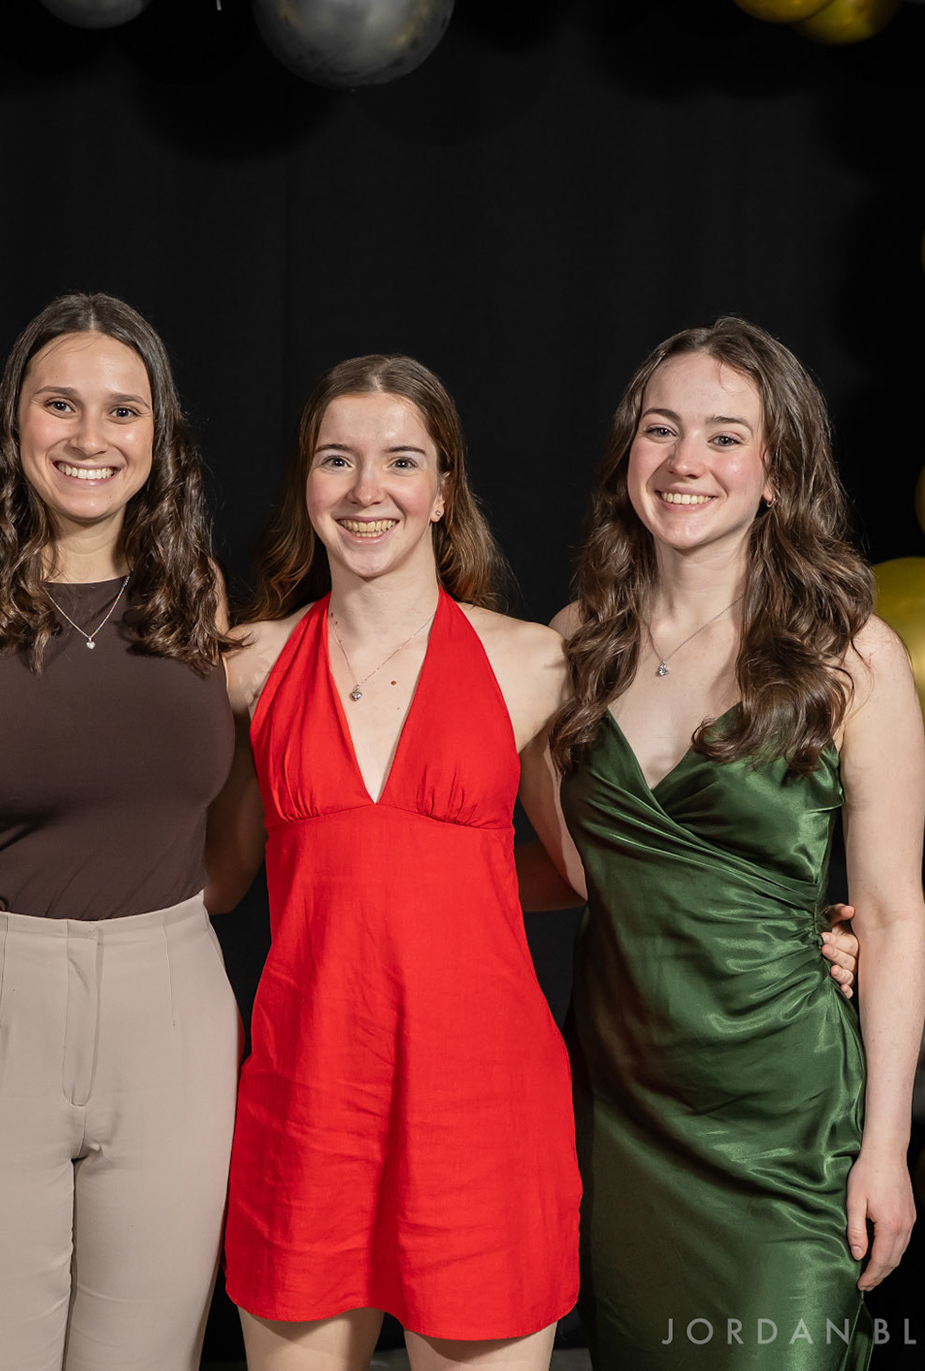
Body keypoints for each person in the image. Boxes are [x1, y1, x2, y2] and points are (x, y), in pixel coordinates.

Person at [538, 318, 925, 1370]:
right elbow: (557, 868)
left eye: (724, 436)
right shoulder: (569, 645)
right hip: (622, 1119)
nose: (685, 461)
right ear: (628, 454)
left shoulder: (852, 656)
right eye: (660, 429)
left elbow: (893, 917)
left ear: (778, 475)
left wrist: (887, 1148)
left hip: (790, 1125)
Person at [209, 355, 580, 1371]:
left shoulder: (531, 661)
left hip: (482, 1108)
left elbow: (594, 869)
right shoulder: (247, 662)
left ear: (444, 490)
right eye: (337, 459)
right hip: (310, 1100)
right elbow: (218, 876)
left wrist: (794, 919)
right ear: (307, 484)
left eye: (402, 460)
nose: (367, 488)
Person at [0, 292, 240, 1371]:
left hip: (173, 1002)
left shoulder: (198, 599)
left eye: (122, 410)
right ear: (14, 422)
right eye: (60, 404)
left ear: (160, 435)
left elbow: (236, 835)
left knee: (148, 1351)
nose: (91, 436)